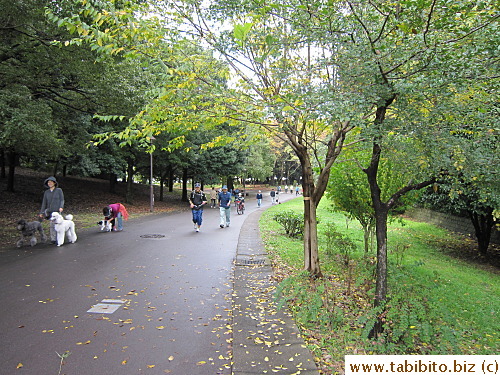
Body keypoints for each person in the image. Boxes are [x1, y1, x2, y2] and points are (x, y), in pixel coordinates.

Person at [39, 176, 64, 244]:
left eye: (51, 182)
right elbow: (44, 203)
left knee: (59, 225)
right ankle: (53, 239)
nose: (49, 183)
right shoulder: (46, 192)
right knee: (52, 225)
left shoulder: (59, 190)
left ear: (54, 183)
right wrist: (41, 212)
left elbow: (62, 200)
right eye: (48, 182)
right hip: (50, 211)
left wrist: (61, 207)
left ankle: (60, 238)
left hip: (58, 211)